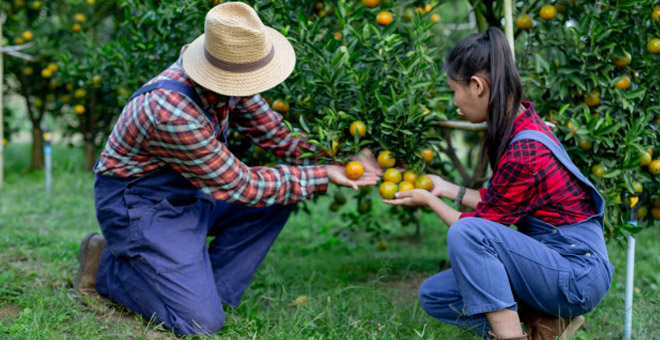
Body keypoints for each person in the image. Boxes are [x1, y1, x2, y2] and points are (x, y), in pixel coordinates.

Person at [73, 2, 380, 336]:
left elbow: (277, 135)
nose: (254, 87)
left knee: (278, 198)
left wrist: (342, 156)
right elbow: (241, 186)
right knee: (199, 324)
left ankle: (203, 291)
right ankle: (106, 268)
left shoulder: (229, 74)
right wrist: (323, 175)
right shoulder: (172, 111)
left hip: (190, 193)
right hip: (140, 207)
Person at [382, 27, 613, 340]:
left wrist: (430, 201)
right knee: (436, 294)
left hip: (577, 276)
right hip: (553, 264)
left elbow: (475, 231)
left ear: (477, 86)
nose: (454, 102)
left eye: (454, 90)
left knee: (465, 232)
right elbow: (497, 204)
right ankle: (543, 323)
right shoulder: (516, 124)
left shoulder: (524, 150)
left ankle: (512, 336)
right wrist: (445, 188)